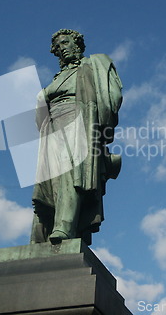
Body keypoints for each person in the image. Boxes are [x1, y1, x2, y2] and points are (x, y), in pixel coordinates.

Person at [30, 29, 122, 246]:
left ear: (78, 44)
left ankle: (64, 227)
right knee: (49, 181)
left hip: (78, 120)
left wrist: (98, 126)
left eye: (66, 42)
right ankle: (41, 236)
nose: (62, 48)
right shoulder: (56, 79)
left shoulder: (94, 65)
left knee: (71, 174)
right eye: (58, 46)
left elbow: (113, 96)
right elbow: (40, 113)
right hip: (52, 127)